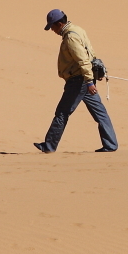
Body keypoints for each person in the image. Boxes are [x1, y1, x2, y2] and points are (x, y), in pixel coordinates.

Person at [34, 9, 118, 153]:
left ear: (59, 24)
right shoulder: (78, 30)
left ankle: (49, 146)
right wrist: (92, 75)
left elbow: (83, 59)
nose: (52, 30)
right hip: (85, 79)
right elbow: (91, 52)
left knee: (62, 112)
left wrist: (89, 81)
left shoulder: (70, 37)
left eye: (52, 27)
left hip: (78, 81)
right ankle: (111, 145)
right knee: (100, 113)